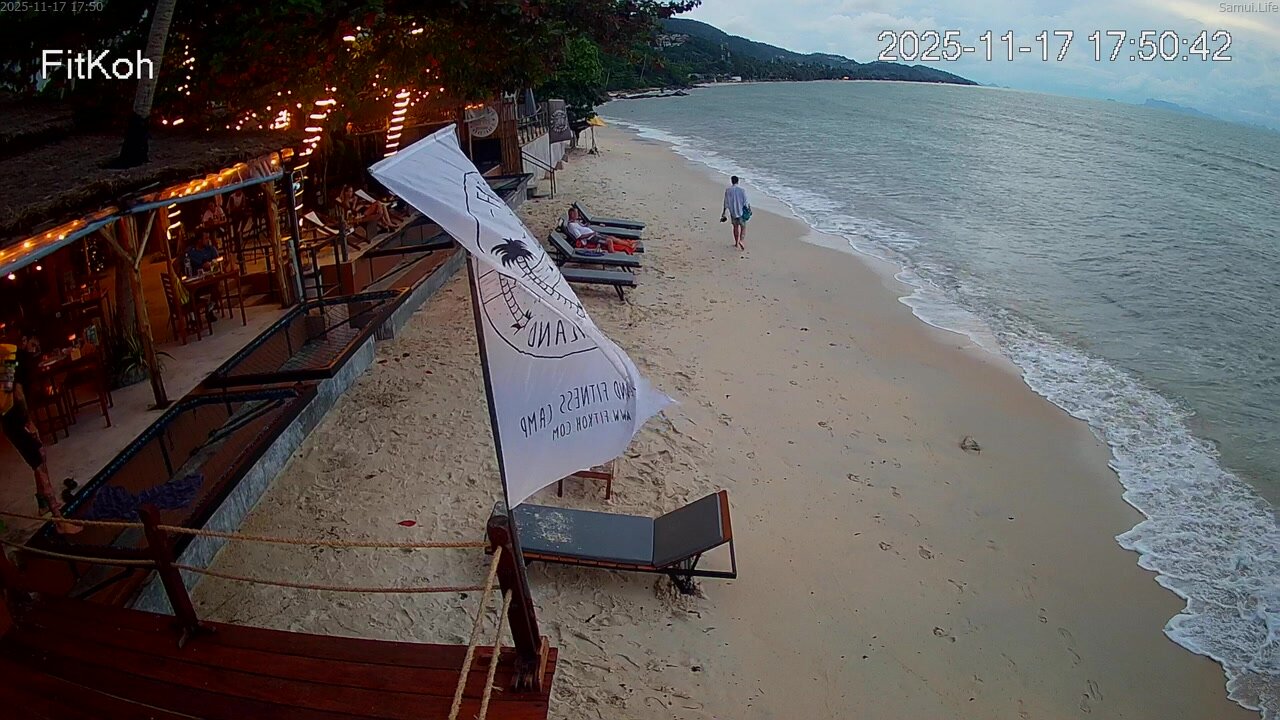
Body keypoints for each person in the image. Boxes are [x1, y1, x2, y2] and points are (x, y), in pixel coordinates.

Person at [1, 344, 79, 534]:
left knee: (39, 456)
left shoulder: (7, 355)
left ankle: (43, 503)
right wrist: (28, 422)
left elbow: (8, 387)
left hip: (9, 418)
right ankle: (59, 520)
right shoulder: (14, 356)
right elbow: (17, 393)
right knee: (39, 462)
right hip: (14, 420)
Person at [565, 207, 637, 254]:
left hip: (593, 234)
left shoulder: (575, 222)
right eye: (576, 213)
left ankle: (629, 245)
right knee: (609, 241)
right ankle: (613, 256)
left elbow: (582, 228)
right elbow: (579, 237)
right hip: (590, 238)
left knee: (611, 237)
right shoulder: (571, 226)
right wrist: (591, 234)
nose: (578, 215)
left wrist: (586, 225)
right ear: (572, 214)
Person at [720, 175, 750, 251]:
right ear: (738, 181)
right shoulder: (742, 190)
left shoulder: (728, 190)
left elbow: (726, 202)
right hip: (741, 212)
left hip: (733, 212)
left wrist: (724, 212)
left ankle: (736, 243)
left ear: (731, 181)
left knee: (735, 227)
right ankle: (741, 240)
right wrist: (748, 209)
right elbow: (745, 202)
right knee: (743, 227)